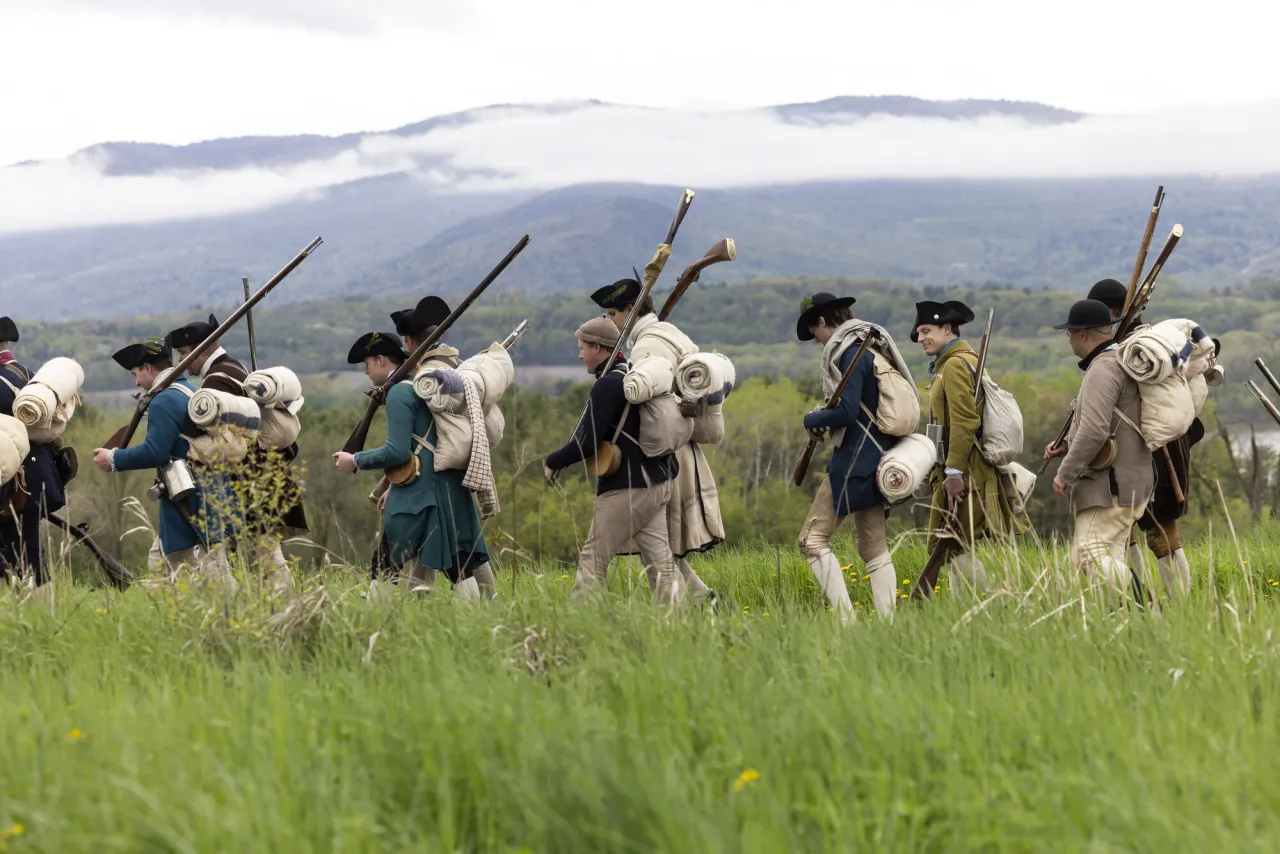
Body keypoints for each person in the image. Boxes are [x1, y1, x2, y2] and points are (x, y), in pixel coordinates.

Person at [592, 276, 725, 606]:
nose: (610, 321)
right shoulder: (669, 333)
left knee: (661, 543)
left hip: (666, 452)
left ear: (628, 310)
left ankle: (685, 607)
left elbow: (648, 406)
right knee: (661, 545)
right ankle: (700, 599)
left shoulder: (648, 345)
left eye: (612, 313)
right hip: (679, 446)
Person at [333, 330, 495, 599]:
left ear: (381, 360)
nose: (365, 371)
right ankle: (478, 619)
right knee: (459, 564)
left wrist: (356, 460)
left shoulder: (398, 393)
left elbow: (396, 453)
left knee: (388, 559)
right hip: (447, 487)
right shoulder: (418, 383)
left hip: (420, 495)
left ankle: (375, 619)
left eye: (367, 363)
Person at [543, 316, 684, 606]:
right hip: (658, 481)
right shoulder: (632, 374)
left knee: (593, 558)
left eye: (583, 347)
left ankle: (581, 623)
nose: (580, 354)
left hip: (627, 487)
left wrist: (553, 460)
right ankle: (679, 624)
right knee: (660, 563)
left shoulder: (609, 384)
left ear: (599, 347)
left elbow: (587, 442)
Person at [166, 314, 308, 591]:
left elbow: (224, 446)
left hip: (253, 478)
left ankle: (290, 605)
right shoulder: (234, 367)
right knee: (267, 554)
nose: (182, 361)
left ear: (200, 349)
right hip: (267, 473)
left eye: (184, 353)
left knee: (268, 556)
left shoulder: (216, 383)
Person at [1087, 278, 1197, 596]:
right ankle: (1139, 603)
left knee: (1161, 534)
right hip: (1148, 452)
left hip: (1157, 454)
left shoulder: (1138, 347)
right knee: (1125, 533)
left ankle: (1180, 609)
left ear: (1112, 312)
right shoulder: (1136, 343)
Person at [793, 293, 899, 622]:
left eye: (814, 330)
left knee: (811, 540)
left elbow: (848, 411)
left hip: (853, 461)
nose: (816, 338)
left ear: (823, 322)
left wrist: (812, 419)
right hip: (878, 458)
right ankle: (888, 624)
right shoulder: (869, 348)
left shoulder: (849, 352)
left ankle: (845, 623)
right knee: (873, 548)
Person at [92, 338, 231, 580]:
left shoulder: (165, 399)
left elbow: (154, 451)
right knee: (162, 562)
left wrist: (114, 459)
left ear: (148, 368)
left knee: (214, 572)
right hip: (195, 493)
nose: (136, 381)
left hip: (192, 498)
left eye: (136, 373)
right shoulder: (188, 390)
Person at [1044, 299, 1154, 600]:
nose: (1068, 339)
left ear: (1082, 334)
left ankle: (1146, 607)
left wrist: (1066, 473)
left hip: (1112, 485)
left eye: (1069, 333)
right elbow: (1111, 425)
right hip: (1131, 480)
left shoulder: (1102, 369)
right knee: (1110, 557)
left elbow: (1094, 431)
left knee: (1088, 554)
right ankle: (1128, 623)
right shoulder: (1117, 362)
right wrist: (1067, 446)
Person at [915, 300, 1027, 593]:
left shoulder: (953, 365)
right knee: (953, 545)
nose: (920, 338)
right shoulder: (964, 359)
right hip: (965, 469)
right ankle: (973, 609)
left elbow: (965, 422)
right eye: (918, 332)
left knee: (956, 544)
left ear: (947, 328)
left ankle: (991, 605)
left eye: (926, 330)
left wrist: (953, 472)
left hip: (966, 472)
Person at [0, 316, 66, 586]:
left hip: (12, 482)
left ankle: (35, 607)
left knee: (20, 552)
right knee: (27, 548)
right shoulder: (28, 373)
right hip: (40, 475)